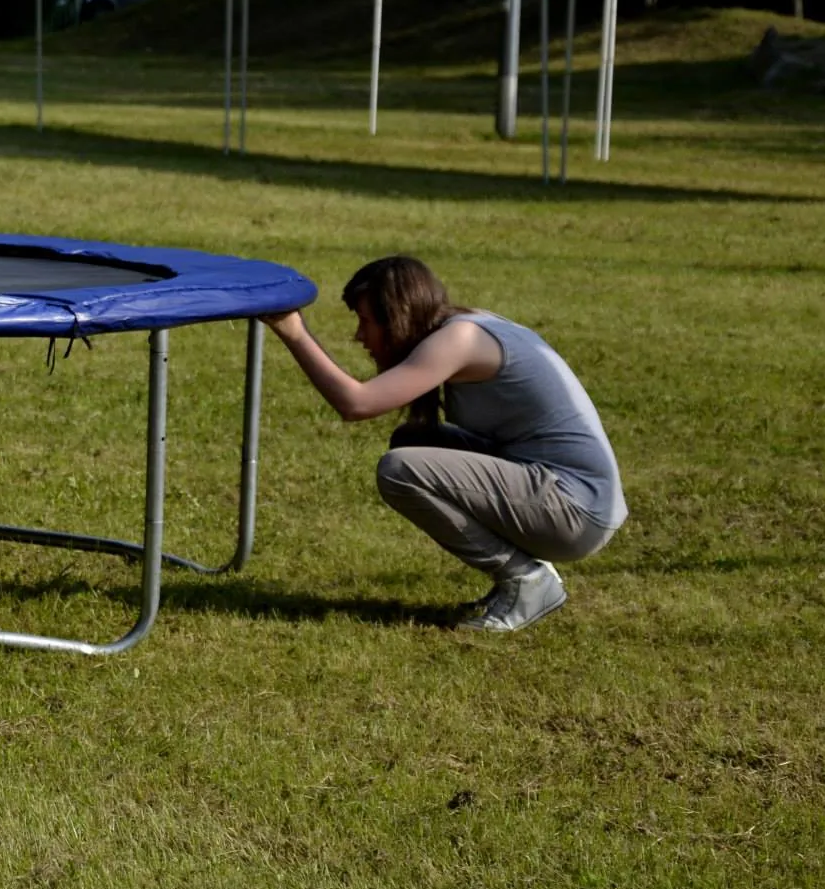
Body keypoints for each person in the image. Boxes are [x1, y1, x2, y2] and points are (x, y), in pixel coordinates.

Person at [262, 256, 626, 633]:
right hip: (571, 499)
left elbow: (358, 403)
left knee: (401, 470)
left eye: (365, 322)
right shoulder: (464, 326)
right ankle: (526, 577)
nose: (359, 336)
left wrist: (294, 332)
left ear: (398, 317)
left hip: (577, 512)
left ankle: (527, 581)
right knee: (414, 440)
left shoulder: (460, 340)